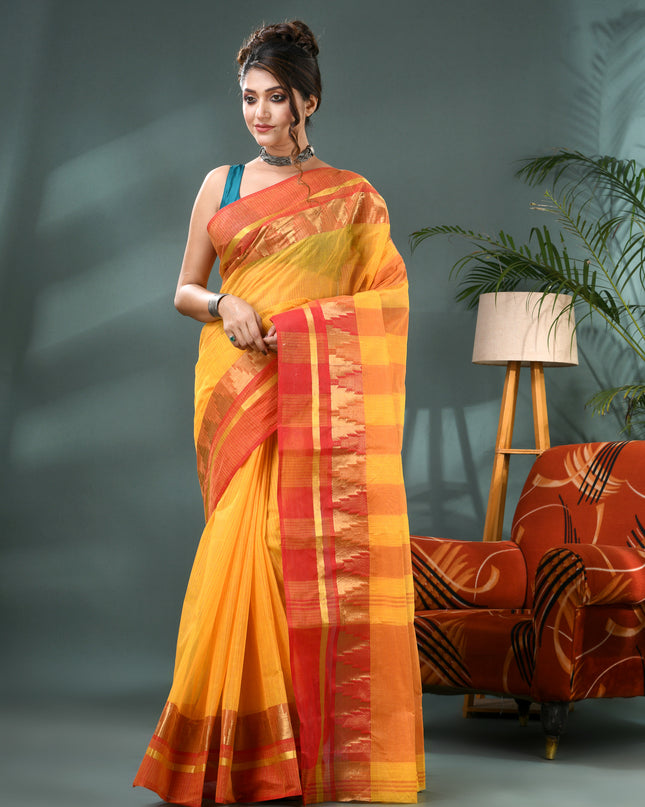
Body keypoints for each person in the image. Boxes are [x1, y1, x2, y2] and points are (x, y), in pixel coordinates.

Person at [133, 20, 425, 806]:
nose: (258, 114)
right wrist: (224, 303)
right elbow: (184, 288)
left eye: (273, 98)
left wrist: (299, 328)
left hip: (311, 402)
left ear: (308, 102)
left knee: (294, 563)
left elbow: (385, 303)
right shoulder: (221, 184)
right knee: (235, 562)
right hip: (237, 394)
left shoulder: (352, 197)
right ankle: (235, 756)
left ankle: (296, 756)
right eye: (248, 98)